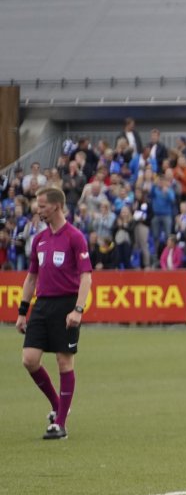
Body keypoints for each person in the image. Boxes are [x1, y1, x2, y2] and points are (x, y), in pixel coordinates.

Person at [15, 187, 92, 440]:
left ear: (56, 206)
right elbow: (31, 277)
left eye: (42, 205)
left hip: (66, 305)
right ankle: (58, 405)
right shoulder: (39, 239)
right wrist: (22, 312)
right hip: (42, 305)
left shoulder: (75, 237)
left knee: (64, 361)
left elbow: (86, 277)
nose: (38, 209)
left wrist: (78, 309)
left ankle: (60, 424)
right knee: (29, 359)